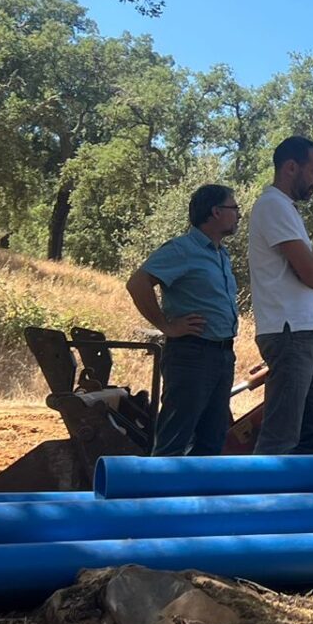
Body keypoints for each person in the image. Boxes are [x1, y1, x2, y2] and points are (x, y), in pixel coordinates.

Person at [125, 184, 242, 456]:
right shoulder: (182, 249)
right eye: (234, 208)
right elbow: (138, 283)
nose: (238, 214)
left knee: (212, 441)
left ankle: (198, 498)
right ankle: (159, 497)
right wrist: (166, 326)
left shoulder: (220, 253)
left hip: (223, 355)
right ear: (215, 212)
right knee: (175, 439)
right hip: (192, 354)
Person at [248, 135, 313, 454]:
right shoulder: (273, 205)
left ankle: (301, 500)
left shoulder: (286, 209)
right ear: (290, 167)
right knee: (281, 435)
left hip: (303, 330)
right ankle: (259, 502)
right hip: (288, 330)